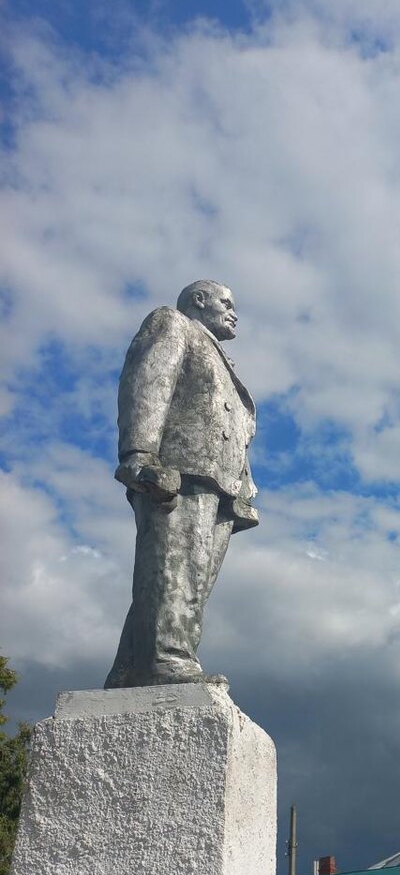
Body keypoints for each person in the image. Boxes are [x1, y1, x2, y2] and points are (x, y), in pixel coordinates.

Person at [105, 281, 258, 688]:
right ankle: (169, 661)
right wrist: (139, 455)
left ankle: (129, 670)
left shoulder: (221, 357)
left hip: (224, 487)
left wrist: (245, 487)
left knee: (187, 582)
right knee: (175, 570)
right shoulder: (173, 324)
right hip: (183, 471)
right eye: (227, 302)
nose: (234, 312)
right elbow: (148, 385)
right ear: (199, 301)